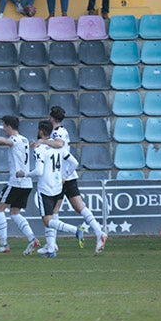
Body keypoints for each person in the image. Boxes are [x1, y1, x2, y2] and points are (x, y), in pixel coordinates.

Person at [36, 105, 108, 254]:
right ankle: (98, 232)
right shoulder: (62, 130)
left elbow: (60, 144)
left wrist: (42, 142)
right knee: (77, 207)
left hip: (60, 176)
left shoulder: (58, 132)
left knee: (53, 211)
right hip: (66, 175)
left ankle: (52, 244)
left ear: (51, 117)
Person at [0, 116, 41, 255]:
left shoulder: (14, 139)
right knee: (15, 212)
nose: (3, 129)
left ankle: (3, 244)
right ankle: (32, 239)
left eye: (4, 126)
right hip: (26, 183)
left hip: (16, 182)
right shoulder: (24, 139)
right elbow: (5, 143)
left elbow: (7, 141)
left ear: (8, 126)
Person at [26, 120, 77, 258]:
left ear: (41, 131)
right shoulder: (58, 147)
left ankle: (74, 230)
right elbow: (74, 163)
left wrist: (24, 174)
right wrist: (65, 176)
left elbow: (38, 171)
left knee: (47, 220)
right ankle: (50, 249)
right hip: (58, 186)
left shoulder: (40, 148)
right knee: (51, 216)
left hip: (45, 187)